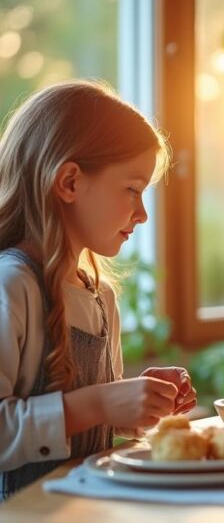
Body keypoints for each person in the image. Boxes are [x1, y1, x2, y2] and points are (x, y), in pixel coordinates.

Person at [0, 80, 197, 500]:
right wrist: (100, 404)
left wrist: (138, 403)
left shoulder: (99, 296)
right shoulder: (11, 287)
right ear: (69, 181)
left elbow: (90, 421)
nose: (142, 214)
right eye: (132, 189)